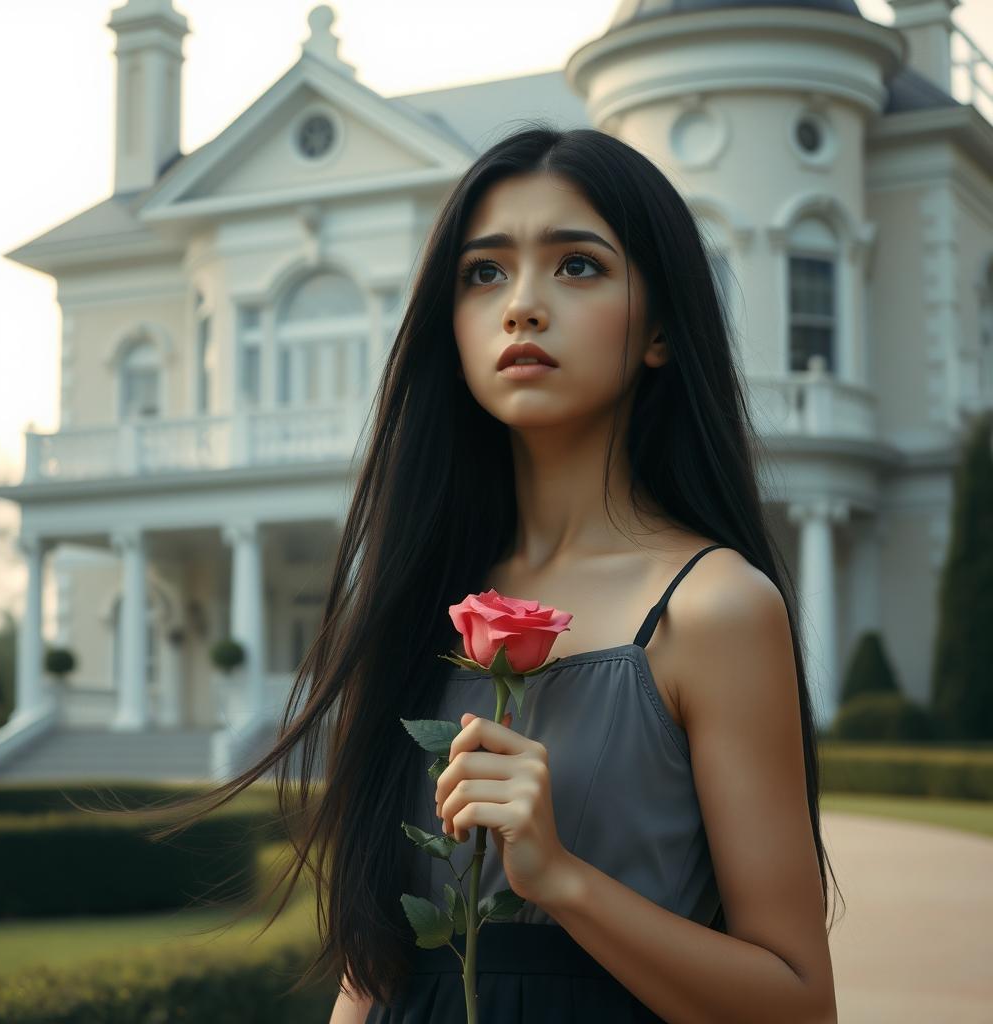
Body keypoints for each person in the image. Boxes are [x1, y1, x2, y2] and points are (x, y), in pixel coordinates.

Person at [124, 122, 842, 1023]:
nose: (522, 306)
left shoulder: (715, 609)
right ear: (450, 326)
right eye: (484, 272)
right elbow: (371, 970)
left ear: (659, 329)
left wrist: (560, 879)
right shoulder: (413, 603)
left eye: (578, 265)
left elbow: (798, 1003)